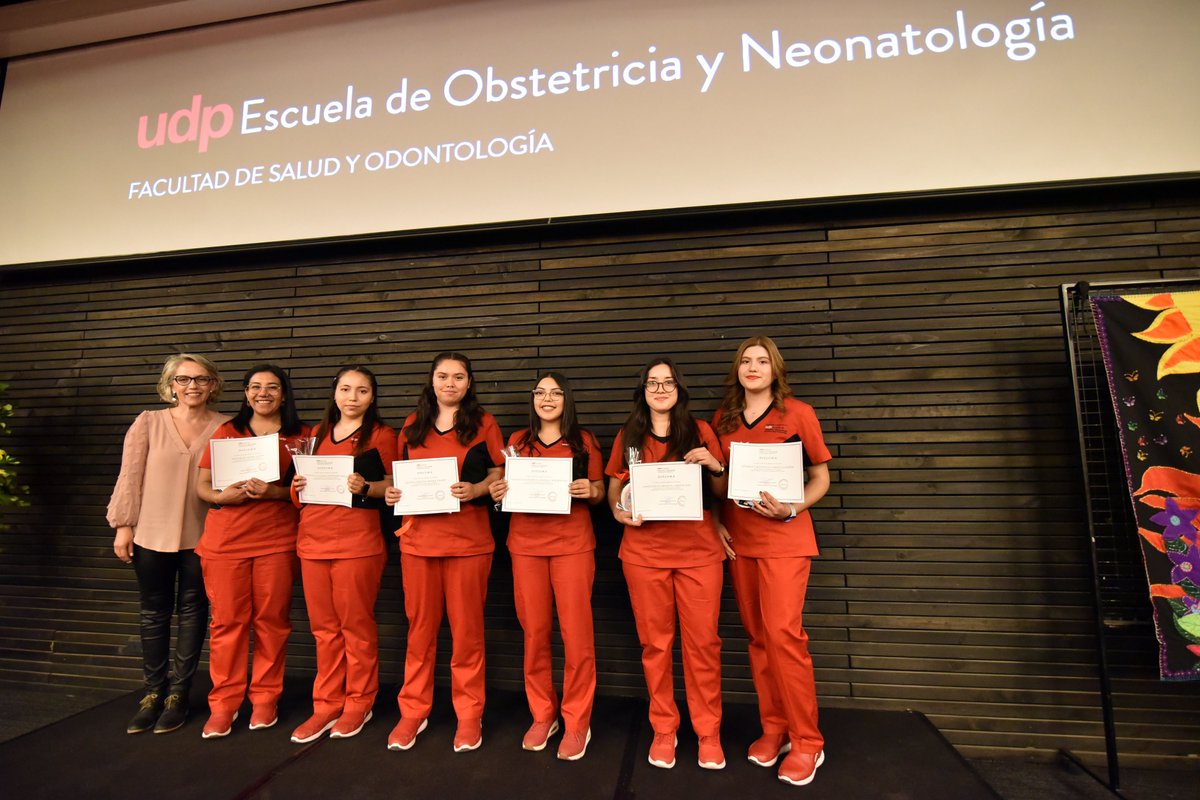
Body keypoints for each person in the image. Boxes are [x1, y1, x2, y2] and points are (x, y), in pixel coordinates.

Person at [711, 336, 832, 787]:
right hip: (740, 543)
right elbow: (719, 485)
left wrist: (793, 508)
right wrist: (716, 522)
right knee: (759, 639)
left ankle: (808, 741)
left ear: (775, 369)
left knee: (785, 638)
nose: (753, 367)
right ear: (737, 370)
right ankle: (775, 728)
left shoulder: (798, 414)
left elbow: (820, 477)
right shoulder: (723, 420)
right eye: (746, 360)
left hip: (785, 541)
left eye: (762, 361)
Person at [606, 357, 730, 771]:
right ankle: (664, 728)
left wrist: (715, 465)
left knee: (703, 646)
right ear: (642, 390)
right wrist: (619, 512)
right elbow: (615, 488)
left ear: (680, 389)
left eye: (668, 382)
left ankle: (708, 731)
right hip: (644, 554)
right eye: (653, 383)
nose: (660, 389)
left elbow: (721, 491)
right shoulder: (629, 434)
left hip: (699, 554)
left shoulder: (701, 431)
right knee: (655, 646)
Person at [385, 352, 503, 753]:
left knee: (467, 634)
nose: (450, 383)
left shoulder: (484, 423)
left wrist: (477, 489)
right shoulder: (411, 425)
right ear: (431, 380)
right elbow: (396, 478)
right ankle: (413, 711)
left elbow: (499, 473)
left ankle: (469, 715)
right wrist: (393, 493)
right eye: (442, 376)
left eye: (458, 377)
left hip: (469, 544)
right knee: (419, 633)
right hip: (418, 543)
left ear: (469, 383)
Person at [108, 353, 229, 734]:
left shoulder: (227, 427)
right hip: (150, 532)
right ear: (170, 385)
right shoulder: (148, 422)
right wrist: (123, 525)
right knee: (154, 612)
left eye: (201, 379)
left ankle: (179, 694)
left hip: (205, 535)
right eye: (183, 379)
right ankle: (153, 692)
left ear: (213, 385)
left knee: (194, 611)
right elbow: (130, 476)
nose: (192, 386)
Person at [489, 372, 604, 761]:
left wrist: (591, 490)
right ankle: (543, 715)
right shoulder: (518, 441)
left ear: (567, 399)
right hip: (526, 546)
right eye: (540, 392)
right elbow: (504, 488)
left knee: (576, 636)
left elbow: (600, 491)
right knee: (535, 633)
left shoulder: (583, 441)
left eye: (556, 393)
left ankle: (577, 721)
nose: (547, 398)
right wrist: (498, 491)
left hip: (572, 546)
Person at [194, 365, 309, 738]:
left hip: (277, 540)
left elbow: (312, 490)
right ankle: (224, 704)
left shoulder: (303, 435)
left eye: (272, 387)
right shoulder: (227, 432)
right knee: (227, 624)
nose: (263, 393)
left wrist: (276, 492)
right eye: (255, 387)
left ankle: (264, 699)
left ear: (284, 394)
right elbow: (203, 485)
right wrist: (220, 497)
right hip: (226, 542)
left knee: (272, 623)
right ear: (245, 393)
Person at [288, 365, 396, 743]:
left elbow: (393, 487)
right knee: (324, 630)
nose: (352, 397)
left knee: (356, 627)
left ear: (372, 396)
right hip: (312, 542)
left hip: (358, 544)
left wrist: (366, 486)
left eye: (362, 390)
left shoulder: (382, 435)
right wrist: (297, 485)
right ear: (335, 392)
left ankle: (359, 702)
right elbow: (298, 494)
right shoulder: (315, 434)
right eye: (346, 389)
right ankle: (326, 704)